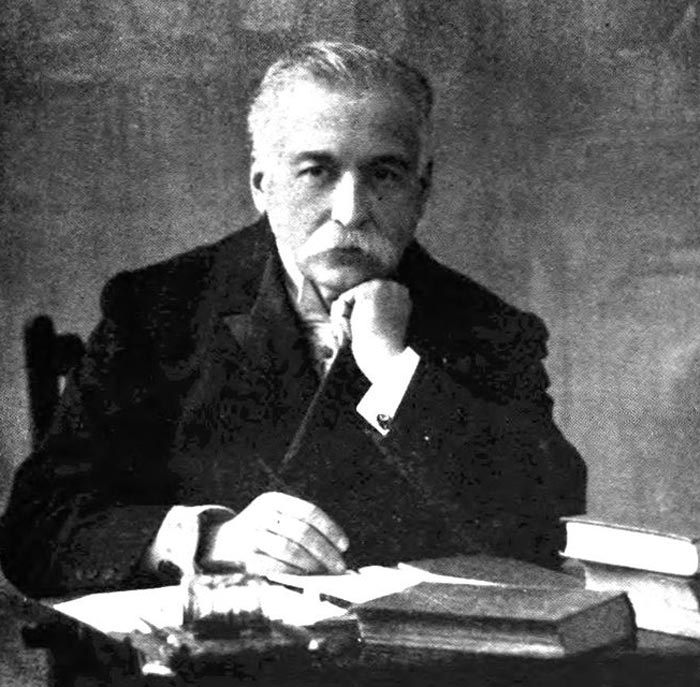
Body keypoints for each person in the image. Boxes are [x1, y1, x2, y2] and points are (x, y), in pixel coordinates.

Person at [0, 41, 585, 597]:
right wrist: (212, 540)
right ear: (262, 184)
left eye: (384, 174)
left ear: (421, 188)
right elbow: (36, 526)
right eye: (317, 171)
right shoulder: (157, 309)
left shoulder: (489, 327)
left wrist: (393, 370)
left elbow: (546, 525)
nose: (351, 211)